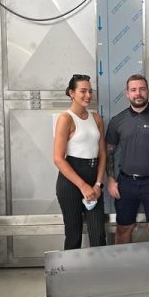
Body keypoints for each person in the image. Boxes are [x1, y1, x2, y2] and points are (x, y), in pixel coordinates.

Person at [105, 74, 149, 244]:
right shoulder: (117, 121)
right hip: (125, 184)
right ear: (127, 94)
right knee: (123, 229)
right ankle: (124, 268)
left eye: (142, 89)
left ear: (148, 91)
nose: (138, 93)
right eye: (133, 90)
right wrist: (111, 180)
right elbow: (108, 152)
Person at [53, 74, 107, 250]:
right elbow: (58, 159)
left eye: (90, 91)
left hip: (93, 177)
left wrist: (98, 184)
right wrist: (83, 186)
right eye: (83, 91)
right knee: (74, 233)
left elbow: (103, 154)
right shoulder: (65, 118)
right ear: (71, 93)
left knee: (98, 233)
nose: (88, 95)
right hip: (71, 180)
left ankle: (98, 275)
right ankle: (70, 275)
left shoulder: (96, 118)